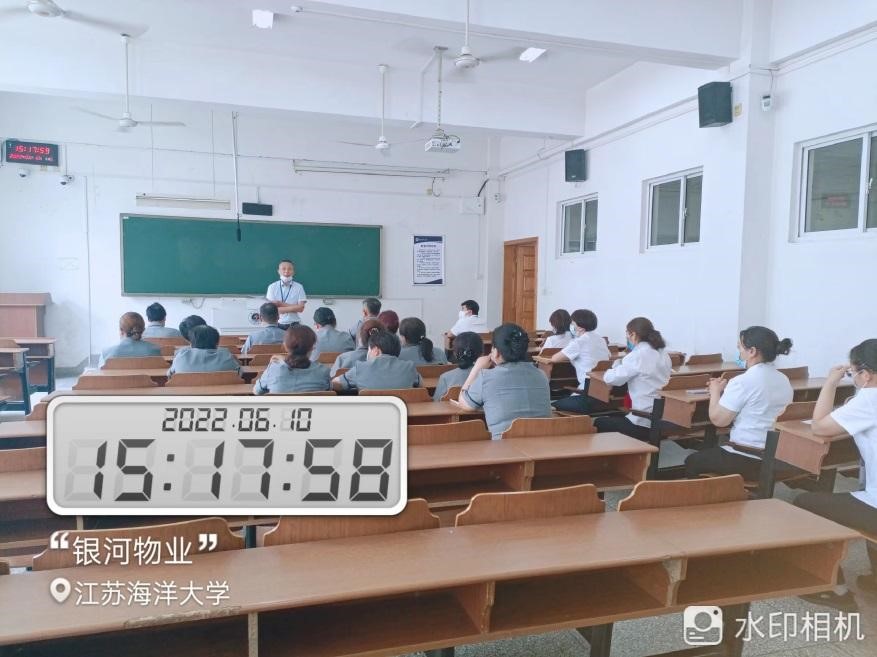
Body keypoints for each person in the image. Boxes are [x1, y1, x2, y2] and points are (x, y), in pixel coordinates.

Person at [794, 339, 877, 611]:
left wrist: (831, 382)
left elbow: (819, 428)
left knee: (805, 503)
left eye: (853, 373)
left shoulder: (870, 398)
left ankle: (832, 587)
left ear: (866, 374)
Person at [684, 326, 794, 479]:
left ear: (752, 351)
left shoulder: (742, 381)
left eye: (740, 347)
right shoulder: (783, 379)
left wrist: (715, 391)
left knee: (692, 461)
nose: (739, 352)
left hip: (747, 457)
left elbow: (719, 420)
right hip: (775, 457)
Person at [454, 323, 551, 439]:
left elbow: (464, 403)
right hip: (541, 445)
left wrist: (477, 368)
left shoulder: (486, 377)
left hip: (504, 446)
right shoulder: (541, 375)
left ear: (496, 352)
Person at [594, 317, 672, 441]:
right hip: (664, 419)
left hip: (644, 421)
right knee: (618, 415)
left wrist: (616, 365)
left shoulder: (637, 355)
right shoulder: (663, 353)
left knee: (599, 422)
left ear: (633, 334)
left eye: (627, 333)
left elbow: (611, 379)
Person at [548, 309, 611, 414]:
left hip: (587, 392)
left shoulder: (579, 342)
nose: (571, 326)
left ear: (580, 327)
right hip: (603, 390)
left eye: (572, 324)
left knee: (554, 405)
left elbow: (554, 358)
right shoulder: (600, 339)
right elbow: (608, 355)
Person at [332, 330, 421, 391]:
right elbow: (422, 386)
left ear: (376, 350)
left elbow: (334, 384)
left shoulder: (360, 368)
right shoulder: (409, 367)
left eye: (369, 349)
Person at [253, 325, 330, 394]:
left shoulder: (274, 369)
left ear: (285, 346)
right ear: (312, 347)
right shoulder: (323, 371)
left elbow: (257, 391)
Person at [167, 325, 240, 377]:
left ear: (191, 344)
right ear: (217, 343)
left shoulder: (181, 357)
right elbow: (239, 374)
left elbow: (170, 375)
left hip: (187, 394)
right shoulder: (226, 356)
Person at [433, 332, 483, 401]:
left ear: (455, 353)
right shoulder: (488, 376)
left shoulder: (445, 377)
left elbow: (436, 402)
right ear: (481, 353)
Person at [265, 259, 307, 329]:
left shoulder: (299, 287)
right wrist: (295, 307)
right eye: (283, 269)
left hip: (295, 325)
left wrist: (280, 303)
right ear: (278, 271)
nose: (286, 271)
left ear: (293, 272)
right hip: (277, 325)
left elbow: (301, 309)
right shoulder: (272, 287)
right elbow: (272, 309)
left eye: (290, 269)